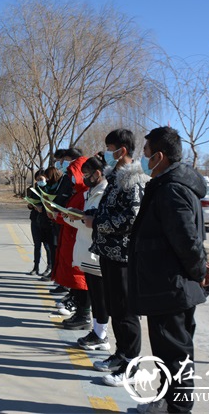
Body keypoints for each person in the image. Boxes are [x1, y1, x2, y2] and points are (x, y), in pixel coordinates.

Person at [129, 127, 209, 413]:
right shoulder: (169, 185)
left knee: (175, 355)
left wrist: (200, 272)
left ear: (158, 156)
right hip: (165, 285)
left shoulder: (171, 190)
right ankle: (166, 402)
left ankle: (178, 409)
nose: (142, 160)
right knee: (169, 354)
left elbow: (187, 240)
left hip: (170, 287)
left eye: (145, 154)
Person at [84, 128, 150, 387]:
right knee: (114, 308)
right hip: (108, 252)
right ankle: (121, 355)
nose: (107, 155)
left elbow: (131, 219)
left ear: (121, 150)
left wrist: (97, 222)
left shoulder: (133, 180)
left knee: (126, 311)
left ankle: (130, 366)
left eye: (110, 150)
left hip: (123, 255)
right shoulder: (116, 178)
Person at [64, 153, 110, 348]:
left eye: (87, 174)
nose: (84, 179)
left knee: (100, 296)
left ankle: (101, 335)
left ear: (98, 173)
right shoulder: (90, 192)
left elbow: (96, 222)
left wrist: (81, 218)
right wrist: (71, 216)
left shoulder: (105, 192)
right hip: (85, 248)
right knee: (95, 294)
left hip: (96, 252)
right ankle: (98, 332)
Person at [47, 152, 89, 327]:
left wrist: (59, 215)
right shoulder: (78, 192)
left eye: (73, 174)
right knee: (75, 279)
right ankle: (79, 311)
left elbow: (79, 217)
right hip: (71, 239)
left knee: (81, 280)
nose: (70, 178)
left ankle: (83, 315)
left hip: (79, 241)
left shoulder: (86, 194)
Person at [26, 169, 51, 275]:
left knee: (47, 245)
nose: (39, 181)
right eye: (37, 179)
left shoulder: (49, 189)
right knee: (37, 245)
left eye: (41, 179)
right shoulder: (32, 190)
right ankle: (36, 267)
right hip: (35, 219)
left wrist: (43, 208)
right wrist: (32, 205)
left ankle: (49, 267)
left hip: (46, 220)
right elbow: (29, 204)